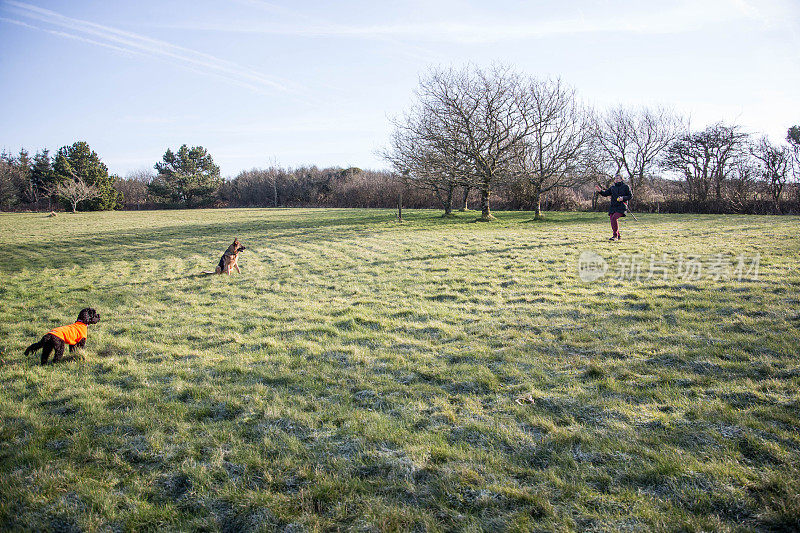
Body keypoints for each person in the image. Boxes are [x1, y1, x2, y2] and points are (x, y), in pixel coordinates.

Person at [595, 176, 632, 241]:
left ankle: (615, 236)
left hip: (622, 206)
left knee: (614, 218)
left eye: (617, 178)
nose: (616, 180)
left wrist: (623, 198)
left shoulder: (626, 187)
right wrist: (600, 191)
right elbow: (605, 194)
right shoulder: (612, 188)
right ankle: (618, 236)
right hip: (613, 207)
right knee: (612, 219)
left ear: (621, 179)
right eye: (615, 179)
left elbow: (630, 196)